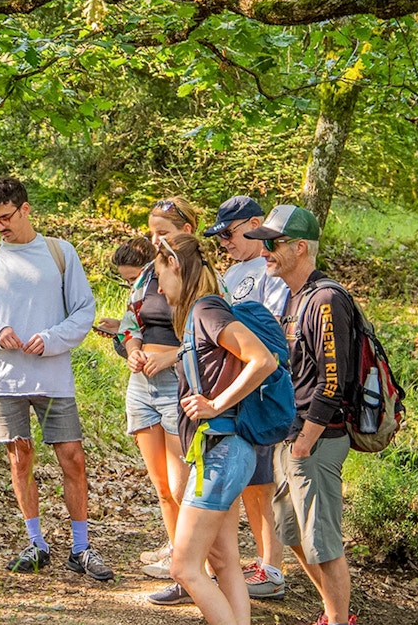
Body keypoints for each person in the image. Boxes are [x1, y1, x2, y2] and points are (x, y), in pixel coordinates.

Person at [0, 176, 113, 581]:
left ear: (25, 209)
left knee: (73, 459)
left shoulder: (60, 253)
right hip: (5, 379)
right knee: (19, 458)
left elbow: (83, 311)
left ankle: (81, 547)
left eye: (6, 217)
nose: (0, 226)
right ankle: (36, 542)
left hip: (53, 376)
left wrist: (51, 339)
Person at [154, 232, 281, 625]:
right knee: (224, 561)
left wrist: (216, 404)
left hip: (223, 452)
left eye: (160, 276)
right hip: (224, 451)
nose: (159, 288)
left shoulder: (207, 311)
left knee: (184, 567)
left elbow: (263, 360)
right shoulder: (202, 314)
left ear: (176, 265)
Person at [245, 205, 357, 625]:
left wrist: (306, 440)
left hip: (316, 439)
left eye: (273, 244)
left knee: (322, 541)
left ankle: (338, 619)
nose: (265, 252)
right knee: (293, 533)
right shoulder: (295, 297)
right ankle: (333, 612)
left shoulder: (325, 299)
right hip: (291, 435)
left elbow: (334, 379)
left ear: (300, 247)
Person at [203, 196, 290, 601]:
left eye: (229, 233)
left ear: (254, 224)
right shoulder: (231, 274)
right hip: (232, 386)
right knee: (237, 479)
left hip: (262, 385)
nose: (224, 242)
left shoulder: (272, 269)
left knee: (260, 482)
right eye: (219, 236)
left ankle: (270, 565)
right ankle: (232, 562)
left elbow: (272, 335)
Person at [116, 199, 200, 606]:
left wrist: (173, 355)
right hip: (141, 384)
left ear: (187, 228)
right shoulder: (147, 274)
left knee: (183, 484)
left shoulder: (200, 276)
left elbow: (210, 334)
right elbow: (130, 323)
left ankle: (193, 570)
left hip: (177, 384)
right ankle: (177, 561)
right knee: (163, 487)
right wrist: (131, 348)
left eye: (163, 232)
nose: (155, 240)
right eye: (151, 231)